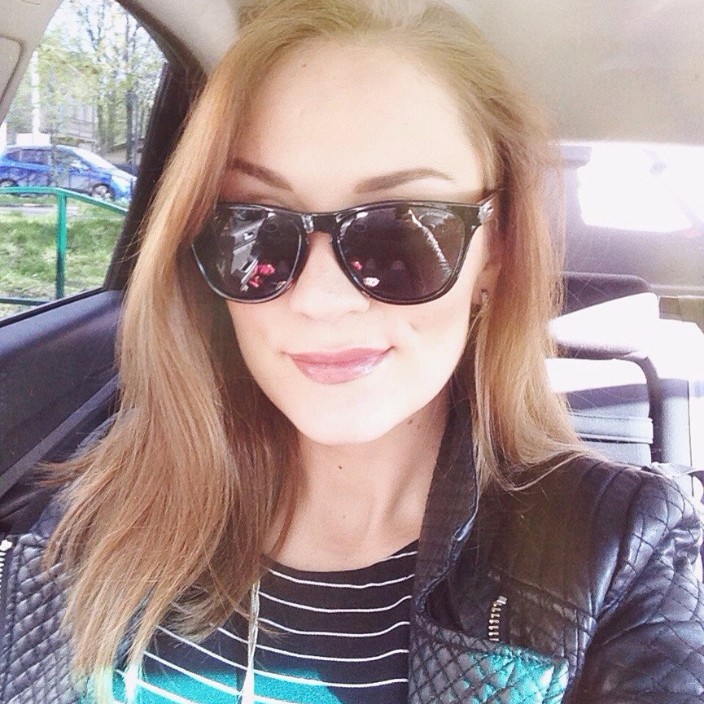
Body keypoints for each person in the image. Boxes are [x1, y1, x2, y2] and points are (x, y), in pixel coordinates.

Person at [1, 1, 703, 702]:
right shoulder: (89, 510)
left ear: (496, 251)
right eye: (255, 226)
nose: (320, 300)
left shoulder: (625, 553)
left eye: (402, 230)